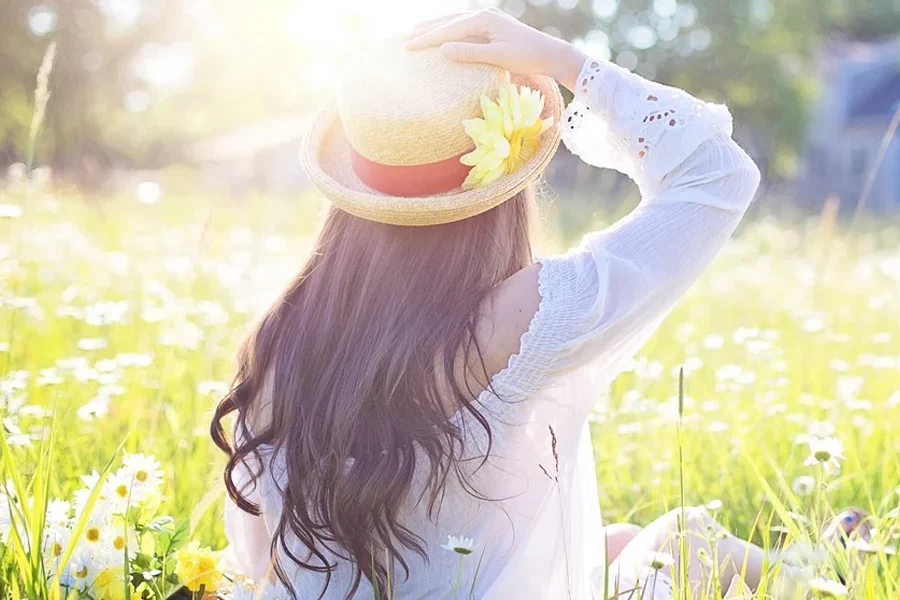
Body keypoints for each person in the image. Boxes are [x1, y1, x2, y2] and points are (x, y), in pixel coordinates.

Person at [209, 8, 791, 599]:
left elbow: (260, 561)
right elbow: (717, 174)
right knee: (684, 537)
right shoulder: (523, 316)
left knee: (617, 540)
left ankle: (827, 553)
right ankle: (834, 569)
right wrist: (564, 60)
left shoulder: (279, 335)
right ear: (504, 182)